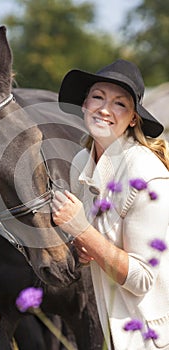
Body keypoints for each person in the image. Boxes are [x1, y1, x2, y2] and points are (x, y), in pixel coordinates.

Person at [51, 59, 169, 350]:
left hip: (154, 335)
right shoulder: (82, 160)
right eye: (98, 97)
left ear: (132, 119)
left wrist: (81, 229)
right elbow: (101, 243)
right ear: (84, 105)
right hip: (116, 329)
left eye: (119, 103)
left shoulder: (145, 173)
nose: (104, 109)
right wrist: (84, 246)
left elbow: (141, 278)